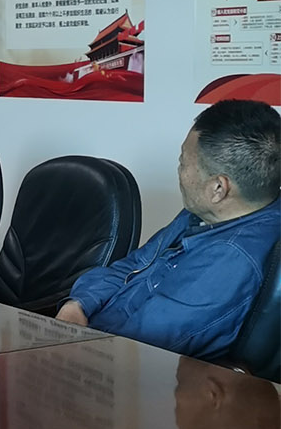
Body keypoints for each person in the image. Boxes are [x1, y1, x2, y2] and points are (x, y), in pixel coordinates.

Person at [57, 100, 280, 360]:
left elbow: (135, 350)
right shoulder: (207, 213)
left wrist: (71, 345)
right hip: (89, 338)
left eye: (183, 162)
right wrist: (78, 304)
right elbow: (133, 264)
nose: (179, 170)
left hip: (116, 365)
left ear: (218, 188)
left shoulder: (229, 263)